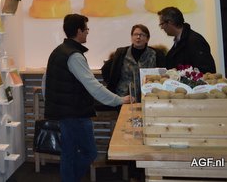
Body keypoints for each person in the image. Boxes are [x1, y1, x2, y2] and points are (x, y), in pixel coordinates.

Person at [45, 14, 131, 182]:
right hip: (75, 113)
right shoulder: (74, 56)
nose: (87, 33)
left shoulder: (58, 51)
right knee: (89, 152)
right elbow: (93, 86)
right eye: (86, 29)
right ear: (79, 31)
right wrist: (119, 100)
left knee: (68, 153)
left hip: (64, 113)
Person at [101, 24, 166, 101]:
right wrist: (113, 86)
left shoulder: (156, 54)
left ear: (147, 39)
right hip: (124, 97)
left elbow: (163, 74)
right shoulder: (121, 53)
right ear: (131, 37)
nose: (138, 37)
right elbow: (105, 69)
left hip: (149, 96)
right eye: (135, 34)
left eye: (142, 35)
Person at [158, 6, 216, 73]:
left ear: (170, 22)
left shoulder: (195, 41)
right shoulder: (181, 40)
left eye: (161, 24)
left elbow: (206, 70)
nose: (161, 28)